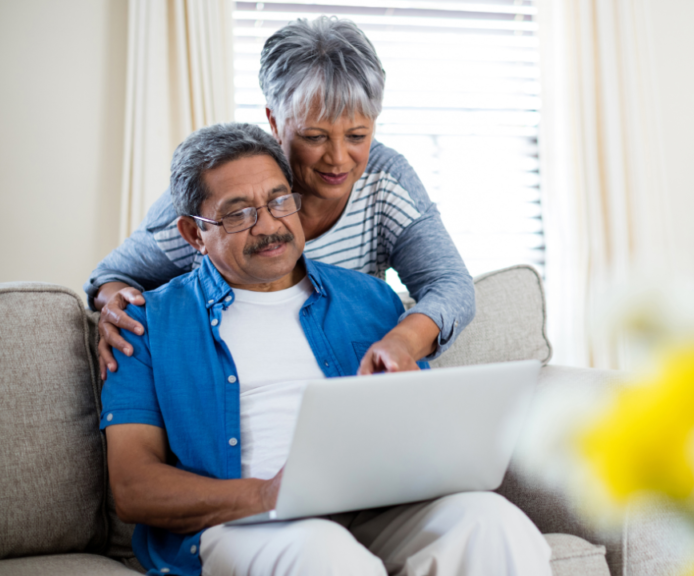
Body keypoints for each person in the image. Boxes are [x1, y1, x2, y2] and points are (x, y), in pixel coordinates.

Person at [101, 122, 551, 576]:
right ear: (194, 234)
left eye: (279, 201)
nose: (270, 226)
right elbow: (132, 486)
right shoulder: (143, 324)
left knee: (494, 523)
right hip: (244, 522)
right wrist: (266, 495)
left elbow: (423, 427)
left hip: (378, 507)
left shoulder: (372, 300)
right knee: (324, 554)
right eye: (239, 214)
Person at [87, 16, 473, 379]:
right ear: (274, 121)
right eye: (314, 136)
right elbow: (111, 277)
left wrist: (401, 341)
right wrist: (120, 309)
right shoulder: (219, 196)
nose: (338, 159)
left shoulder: (385, 180)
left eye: (357, 136)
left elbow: (450, 284)